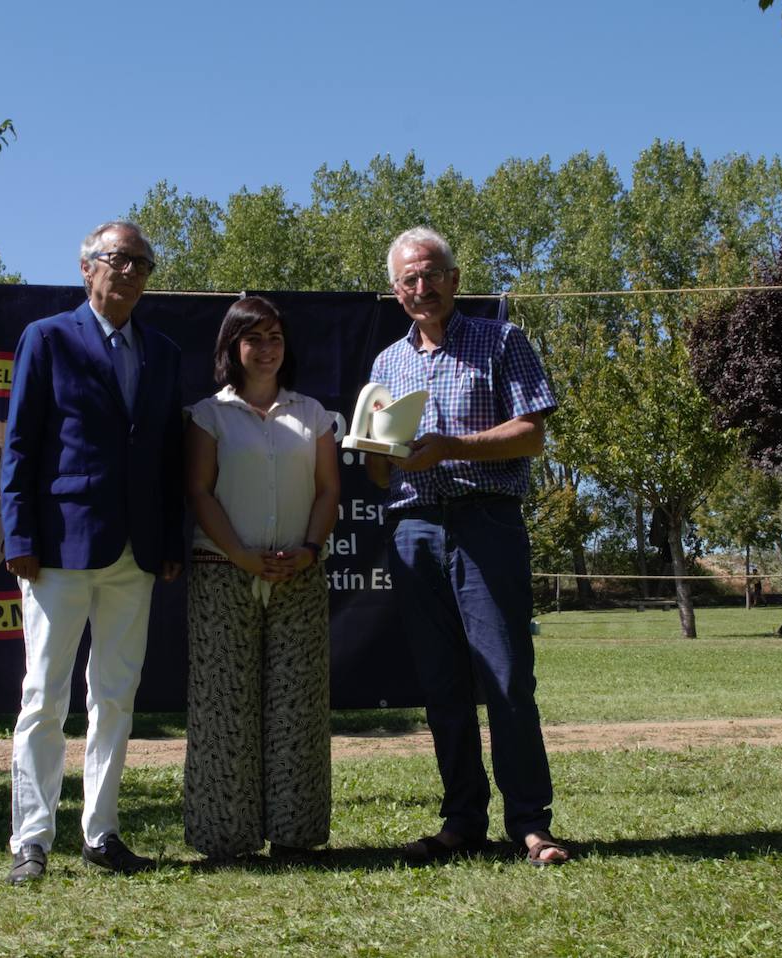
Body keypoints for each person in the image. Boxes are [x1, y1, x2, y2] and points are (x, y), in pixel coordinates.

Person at [365, 226, 570, 866]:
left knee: (507, 678)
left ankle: (531, 825)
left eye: (430, 274)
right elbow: (378, 472)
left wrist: (450, 446)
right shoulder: (386, 366)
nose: (420, 288)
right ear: (395, 291)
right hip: (414, 528)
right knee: (442, 684)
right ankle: (462, 823)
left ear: (454, 279)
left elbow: (531, 434)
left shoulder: (501, 339)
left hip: (487, 522)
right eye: (408, 280)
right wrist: (374, 452)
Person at [0, 221, 184, 884]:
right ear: (87, 267)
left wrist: (167, 539)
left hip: (135, 553)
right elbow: (19, 445)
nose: (130, 271)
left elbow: (167, 454)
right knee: (43, 698)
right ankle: (32, 840)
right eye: (117, 259)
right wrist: (18, 536)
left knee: (116, 697)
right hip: (56, 551)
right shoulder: (46, 338)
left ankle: (101, 834)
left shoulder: (162, 352)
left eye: (141, 262)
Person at [182, 296, 339, 860]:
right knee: (225, 706)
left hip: (299, 573)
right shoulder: (210, 414)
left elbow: (328, 492)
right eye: (254, 339)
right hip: (223, 571)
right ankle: (225, 838)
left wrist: (309, 549)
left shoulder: (313, 413)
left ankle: (295, 836)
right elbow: (199, 492)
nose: (267, 348)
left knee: (298, 704)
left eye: (275, 337)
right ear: (233, 347)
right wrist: (242, 555)